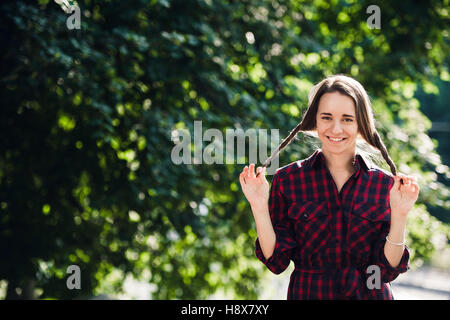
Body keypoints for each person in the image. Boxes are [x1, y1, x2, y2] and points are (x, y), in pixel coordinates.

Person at [239, 74, 420, 300]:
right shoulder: (289, 180)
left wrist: (401, 214)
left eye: (347, 119)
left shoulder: (385, 186)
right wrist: (258, 205)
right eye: (327, 117)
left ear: (361, 124)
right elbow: (276, 261)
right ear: (315, 120)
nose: (336, 129)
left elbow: (388, 269)